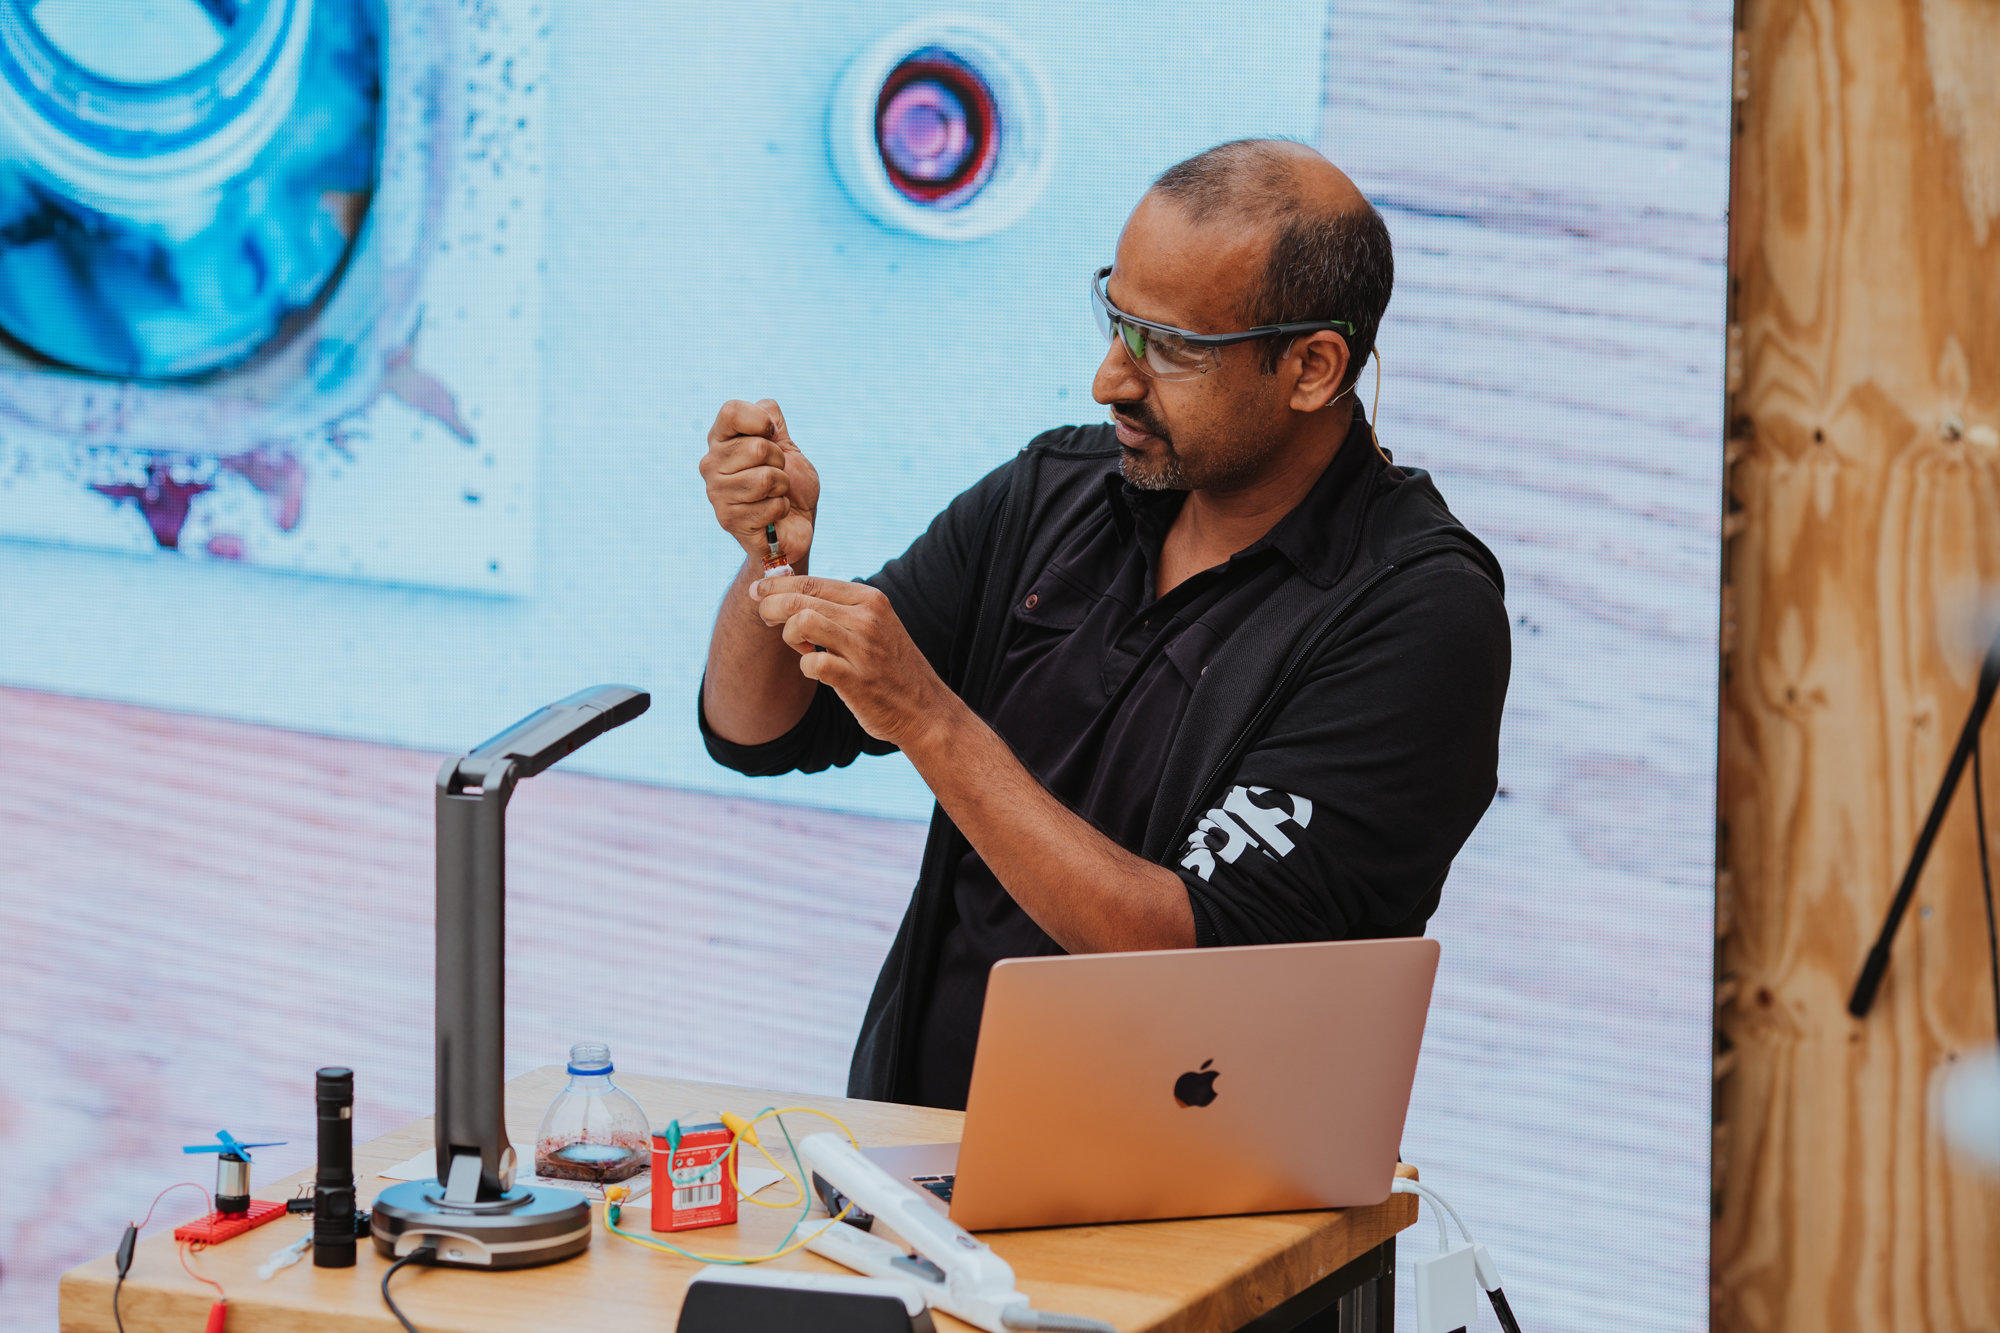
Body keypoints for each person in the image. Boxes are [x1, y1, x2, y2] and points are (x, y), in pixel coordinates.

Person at [697, 139, 1510, 1110]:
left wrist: (929, 718)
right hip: (918, 1166)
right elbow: (765, 729)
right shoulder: (1054, 494)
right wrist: (772, 558)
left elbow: (1204, 964)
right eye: (1115, 320)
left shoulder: (1414, 613)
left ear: (1309, 367)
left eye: (1168, 347)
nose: (1109, 380)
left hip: (1184, 1218)